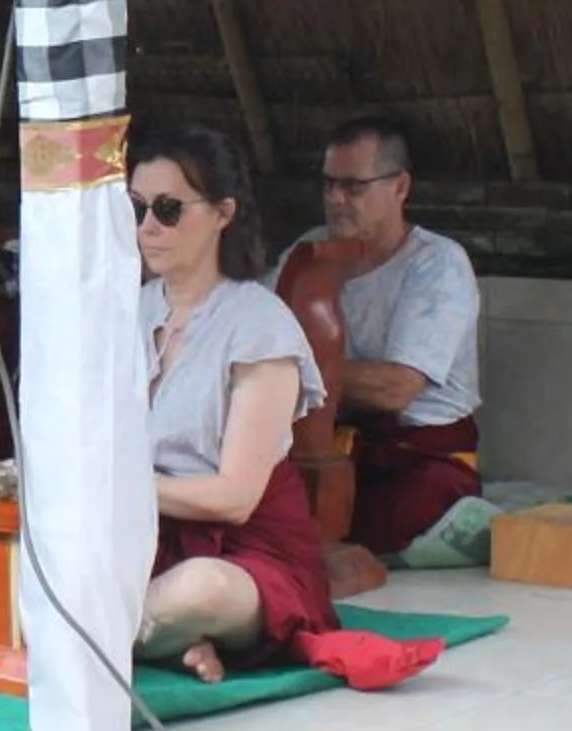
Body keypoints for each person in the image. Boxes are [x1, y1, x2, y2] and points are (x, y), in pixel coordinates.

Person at [132, 129, 440, 692]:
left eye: (169, 209)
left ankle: (104, 633)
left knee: (202, 590)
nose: (148, 226)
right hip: (143, 536)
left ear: (223, 213)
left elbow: (234, 498)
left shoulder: (259, 325)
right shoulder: (129, 310)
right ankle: (165, 640)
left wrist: (117, 487)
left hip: (245, 554)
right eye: (138, 208)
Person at [275, 117, 483, 557]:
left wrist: (281, 373)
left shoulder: (437, 264)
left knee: (407, 506)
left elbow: (395, 389)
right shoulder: (309, 251)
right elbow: (250, 328)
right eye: (329, 184)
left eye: (353, 187)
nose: (335, 200)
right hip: (325, 441)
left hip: (413, 455)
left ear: (400, 188)